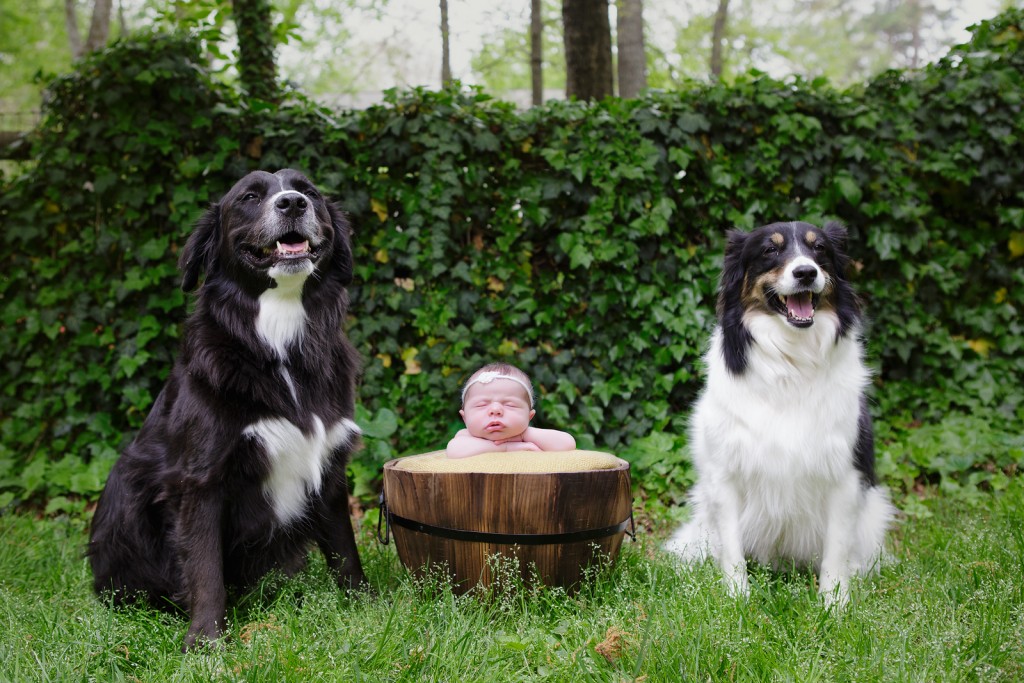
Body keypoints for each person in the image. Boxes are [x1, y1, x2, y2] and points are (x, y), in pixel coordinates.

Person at [445, 363, 576, 458]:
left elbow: (567, 444)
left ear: (529, 416)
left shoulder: (527, 435)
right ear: (465, 417)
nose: (495, 410)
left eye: (510, 405)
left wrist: (523, 436)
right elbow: (453, 450)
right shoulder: (466, 436)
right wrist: (506, 447)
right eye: (481, 405)